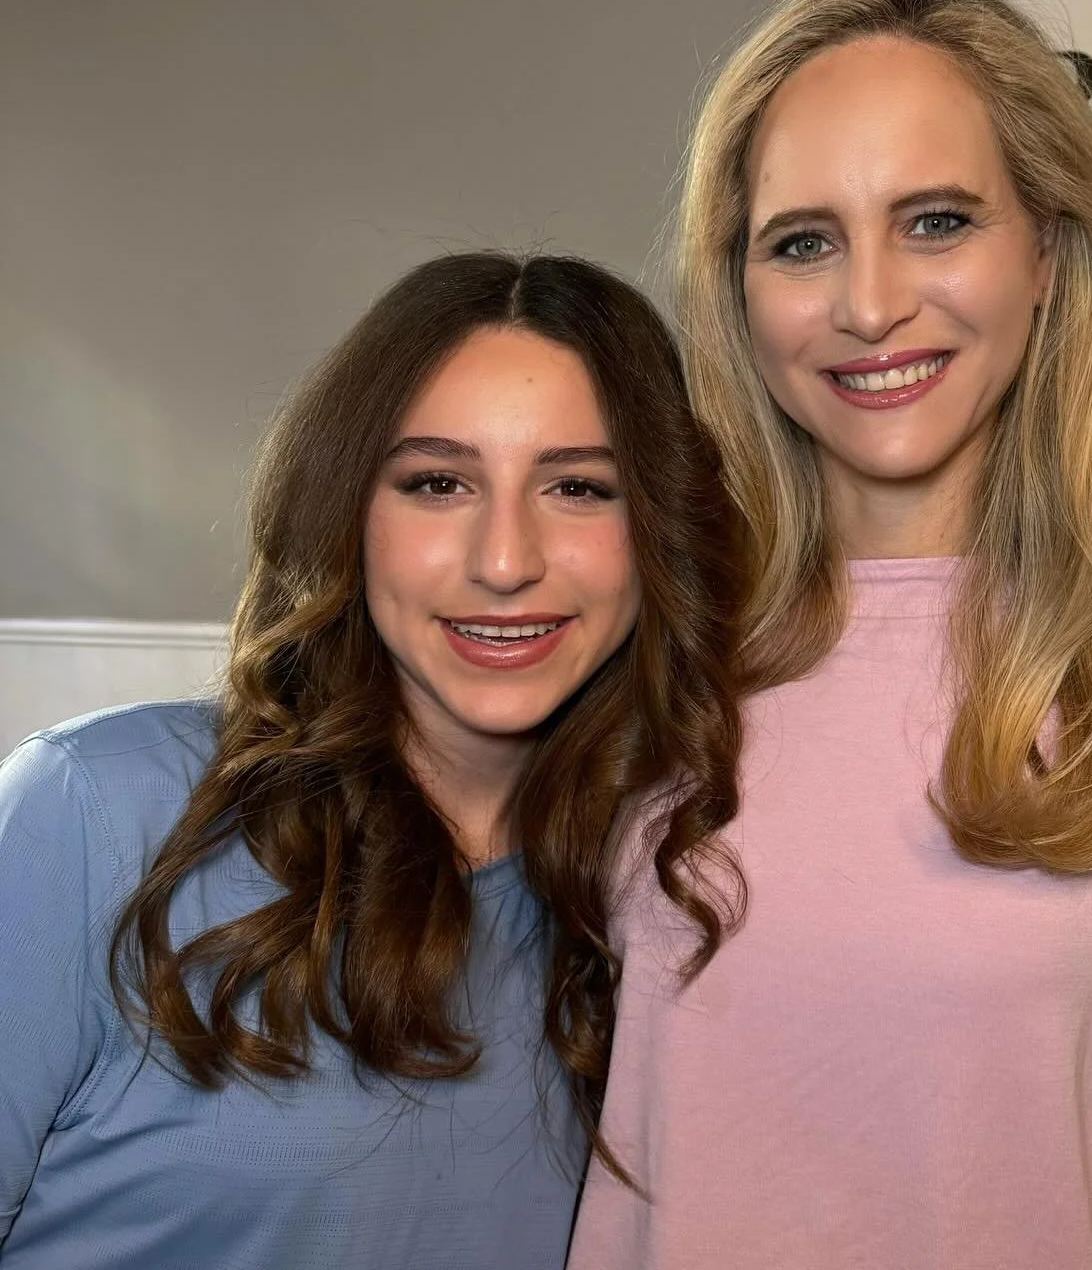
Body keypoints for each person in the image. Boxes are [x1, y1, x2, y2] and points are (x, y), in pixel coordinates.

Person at [569, 0, 1092, 1269]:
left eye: (935, 221)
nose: (869, 303)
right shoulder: (641, 625)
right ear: (741, 299)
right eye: (802, 241)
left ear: (1046, 251)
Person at [0, 252, 740, 1269]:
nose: (504, 560)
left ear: (656, 529)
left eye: (578, 486)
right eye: (437, 483)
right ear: (348, 511)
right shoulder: (94, 810)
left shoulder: (664, 886)